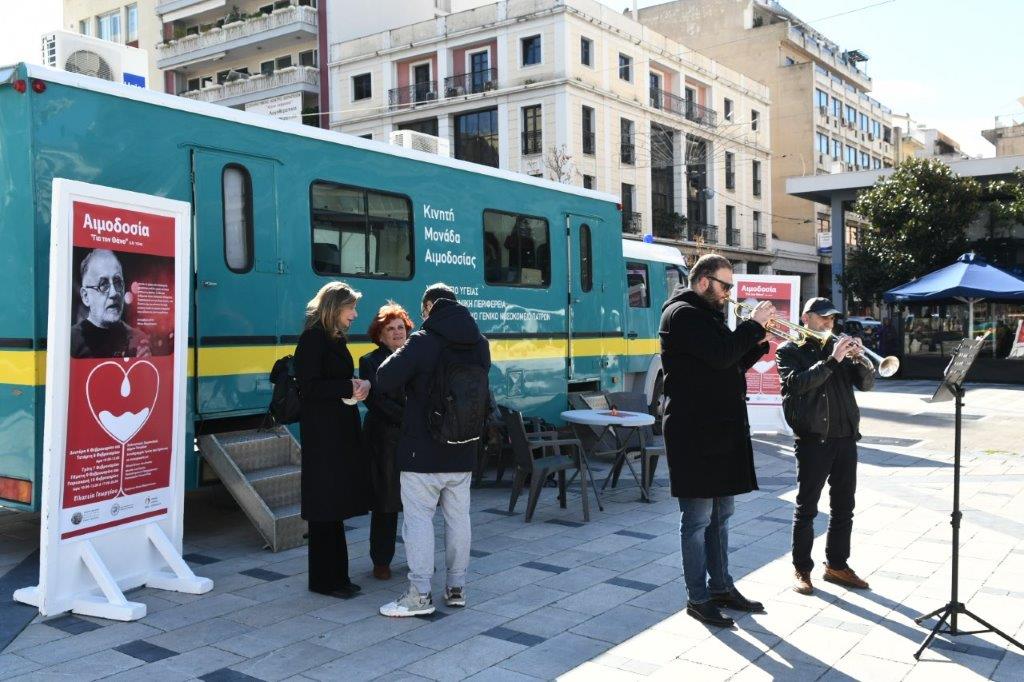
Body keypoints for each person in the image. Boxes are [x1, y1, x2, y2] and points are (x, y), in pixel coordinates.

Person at [660, 254, 773, 628]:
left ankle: (721, 587)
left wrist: (758, 343)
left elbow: (729, 364)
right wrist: (752, 327)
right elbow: (721, 355)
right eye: (726, 285)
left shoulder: (709, 316)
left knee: (722, 516)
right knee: (697, 521)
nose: (729, 293)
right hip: (694, 433)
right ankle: (698, 598)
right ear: (704, 281)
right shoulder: (682, 314)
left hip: (720, 432)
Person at [376, 283, 490, 617]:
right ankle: (456, 588)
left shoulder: (423, 341)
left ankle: (420, 595)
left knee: (419, 523)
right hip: (463, 448)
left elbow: (384, 378)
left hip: (422, 453)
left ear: (428, 308)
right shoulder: (480, 344)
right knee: (459, 521)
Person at [777, 297, 875, 596]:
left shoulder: (840, 350)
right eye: (822, 317)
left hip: (845, 439)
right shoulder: (789, 350)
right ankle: (802, 569)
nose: (828, 323)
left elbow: (866, 384)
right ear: (805, 317)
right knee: (807, 508)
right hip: (813, 440)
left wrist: (860, 359)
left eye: (831, 318)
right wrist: (832, 360)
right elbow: (797, 384)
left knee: (844, 507)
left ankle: (837, 565)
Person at [294, 281, 372, 599]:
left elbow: (329, 381)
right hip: (323, 437)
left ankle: (338, 576)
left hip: (336, 433)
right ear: (334, 307)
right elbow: (309, 387)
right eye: (351, 308)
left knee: (333, 505)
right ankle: (325, 581)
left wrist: (352, 385)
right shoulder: (313, 338)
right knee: (325, 506)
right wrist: (347, 387)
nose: (354, 314)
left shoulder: (332, 337)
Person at [359, 302, 414, 581]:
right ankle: (381, 561)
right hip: (384, 442)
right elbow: (375, 401)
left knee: (418, 505)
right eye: (390, 329)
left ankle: (419, 558)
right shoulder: (369, 361)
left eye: (400, 327)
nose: (396, 332)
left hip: (414, 441)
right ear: (379, 335)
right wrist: (411, 418)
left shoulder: (415, 357)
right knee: (386, 504)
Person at [71, 249, 150, 359]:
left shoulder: (138, 341)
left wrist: (144, 364)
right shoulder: (71, 341)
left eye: (118, 282)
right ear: (86, 296)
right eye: (103, 284)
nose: (114, 293)